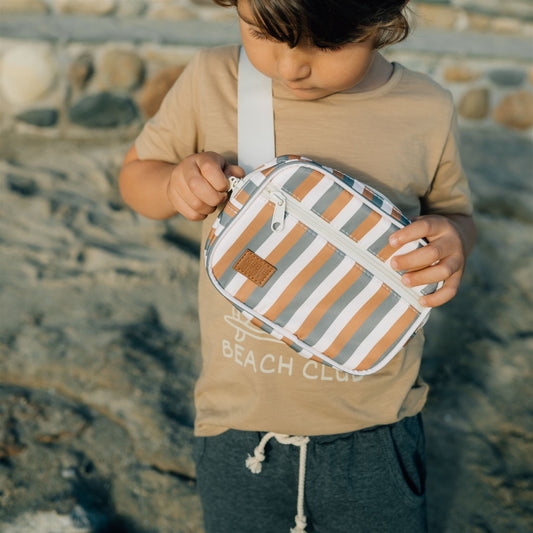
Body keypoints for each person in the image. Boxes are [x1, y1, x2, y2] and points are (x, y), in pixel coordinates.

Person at [119, 1, 476, 531]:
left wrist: (453, 241)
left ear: (382, 19)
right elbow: (136, 181)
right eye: (263, 33)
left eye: (327, 44)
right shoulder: (215, 80)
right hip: (237, 421)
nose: (291, 67)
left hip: (377, 425)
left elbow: (456, 215)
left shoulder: (425, 107)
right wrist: (173, 183)